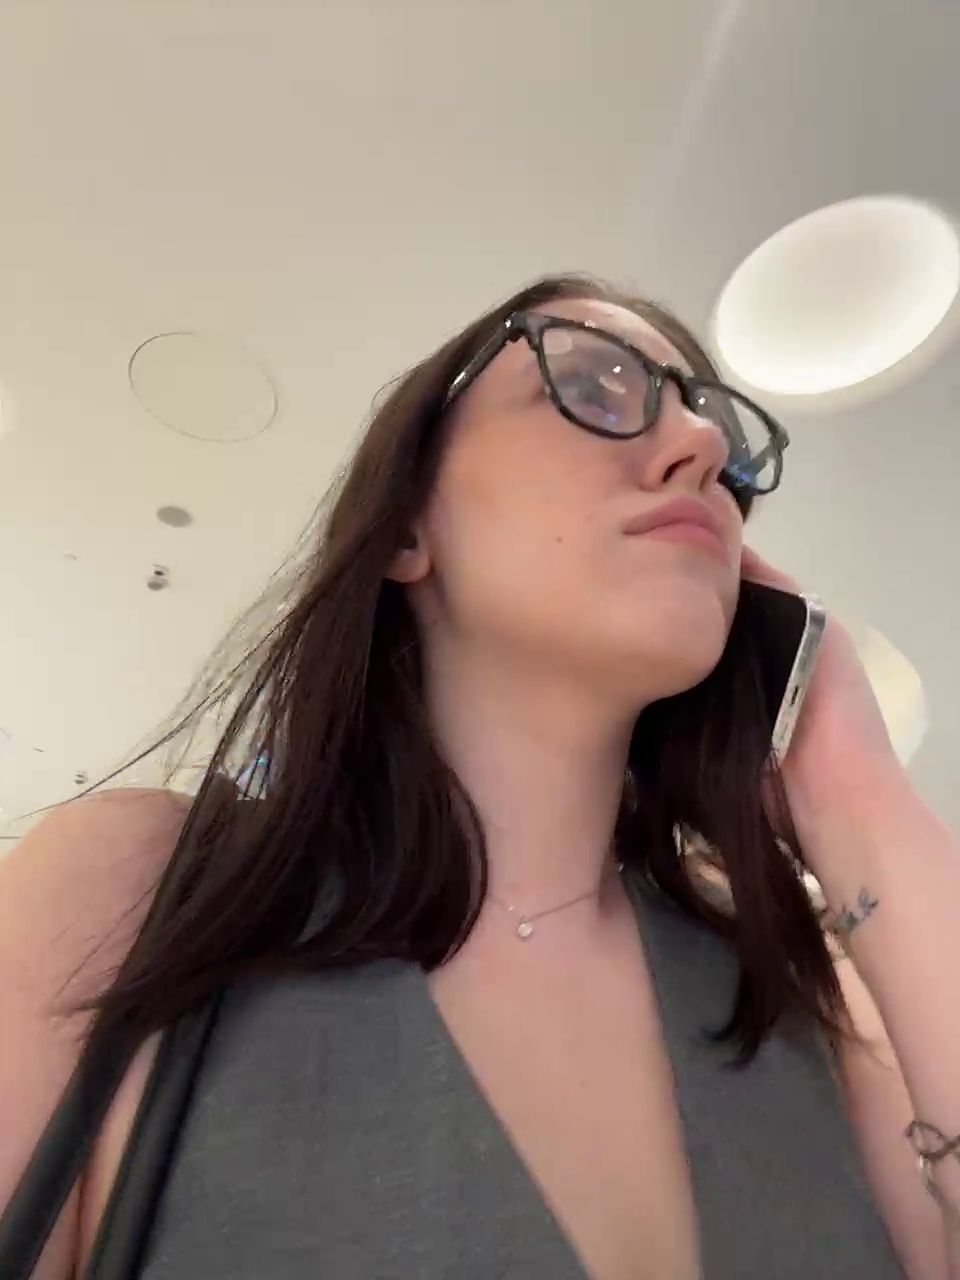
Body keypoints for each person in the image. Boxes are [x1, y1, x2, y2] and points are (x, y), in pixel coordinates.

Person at [2, 274, 958, 1279]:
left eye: (715, 426)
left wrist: (859, 801)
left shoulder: (807, 994)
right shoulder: (132, 890)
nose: (703, 448)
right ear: (407, 526)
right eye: (592, 384)